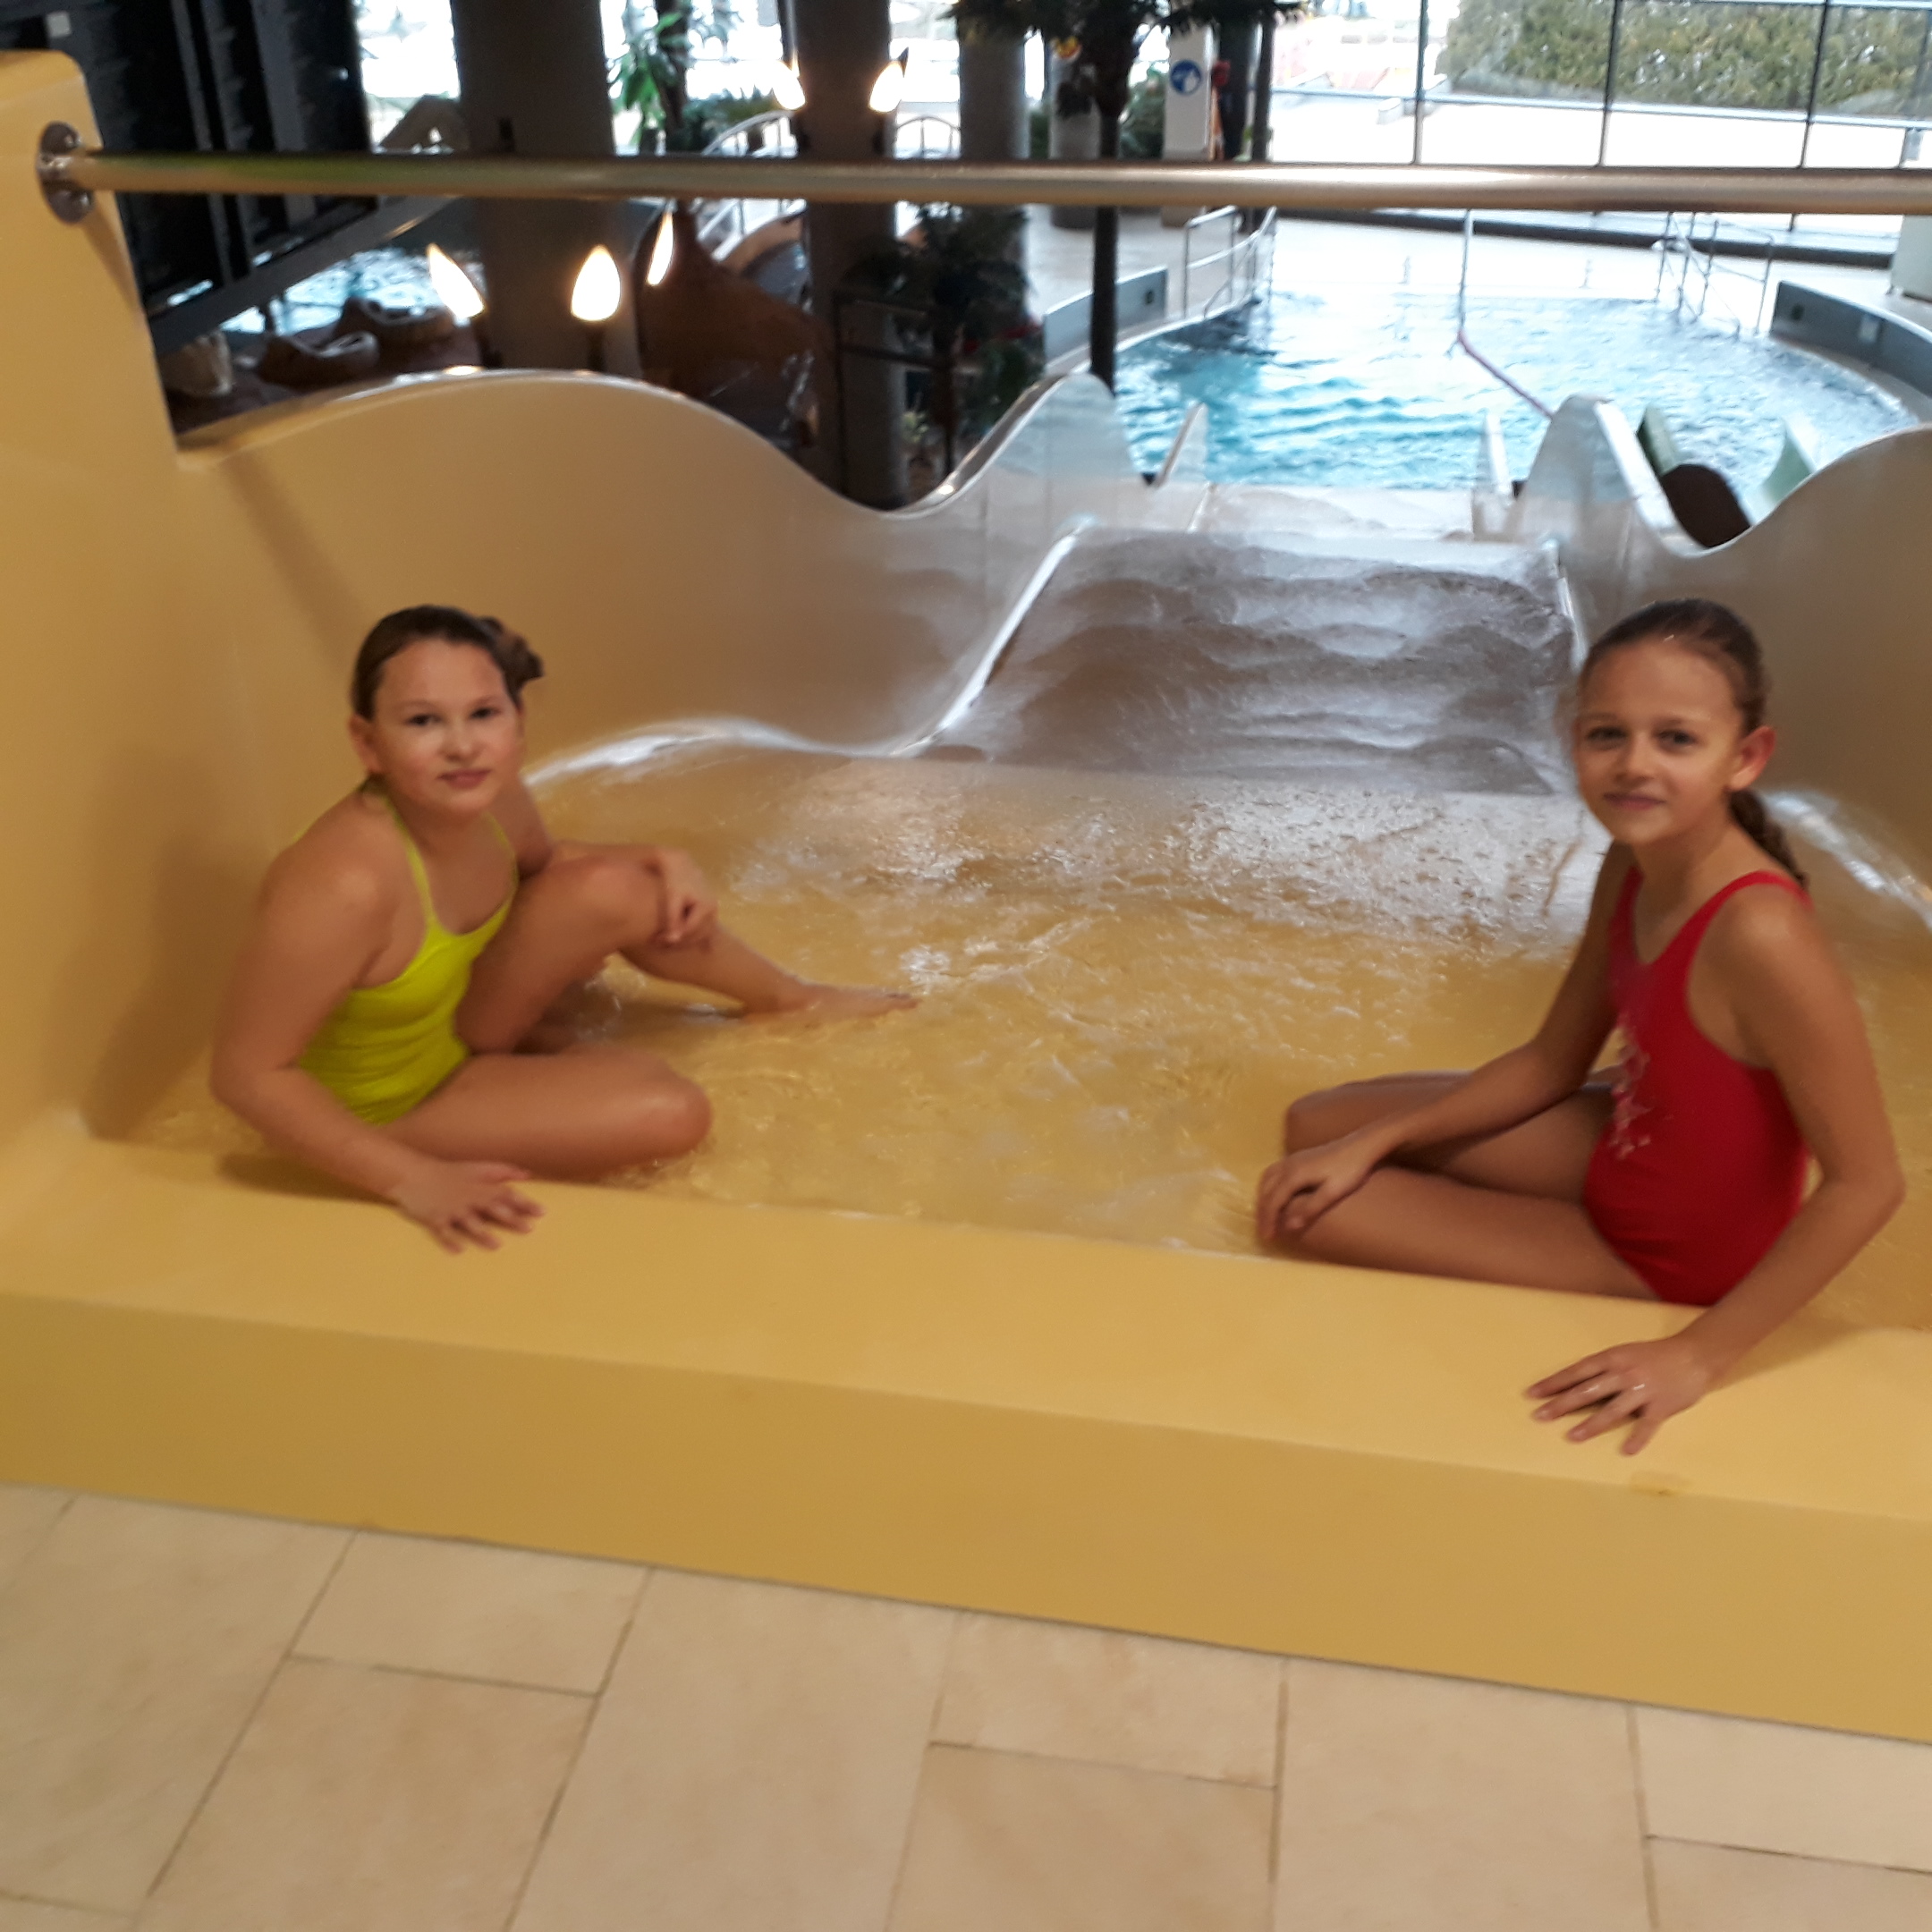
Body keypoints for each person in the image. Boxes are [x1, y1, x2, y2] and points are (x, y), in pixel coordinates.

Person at [1254, 598, 1902, 1453]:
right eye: (1607, 735)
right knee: (1319, 1127)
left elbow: (1869, 1183)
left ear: (1745, 758)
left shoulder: (1762, 934)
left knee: (1308, 1213)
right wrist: (1376, 1141)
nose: (1635, 765)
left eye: (1676, 739)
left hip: (1668, 1251)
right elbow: (1549, 1062)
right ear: (1574, 742)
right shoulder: (1631, 865)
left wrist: (1699, 1355)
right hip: (1627, 1138)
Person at [213, 605, 912, 1252]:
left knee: (615, 890)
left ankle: (792, 998)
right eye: (424, 723)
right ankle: (529, 1060)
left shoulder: (494, 801)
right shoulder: (344, 886)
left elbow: (550, 870)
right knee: (669, 1111)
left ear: (516, 722)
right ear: (369, 744)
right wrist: (409, 1178)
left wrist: (663, 859)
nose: (463, 746)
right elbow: (247, 1076)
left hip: (453, 1027)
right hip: (385, 1105)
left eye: (483, 714)